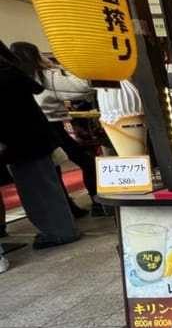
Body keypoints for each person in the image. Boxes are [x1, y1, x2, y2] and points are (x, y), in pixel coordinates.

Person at [0, 40, 80, 250]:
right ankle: (61, 229)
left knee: (37, 190)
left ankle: (60, 232)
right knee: (45, 187)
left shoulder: (4, 75)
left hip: (22, 144)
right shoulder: (11, 71)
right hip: (35, 139)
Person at [10, 42, 104, 217]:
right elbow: (81, 88)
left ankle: (66, 210)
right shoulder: (44, 75)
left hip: (32, 129)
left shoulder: (17, 75)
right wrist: (61, 70)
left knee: (54, 172)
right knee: (86, 162)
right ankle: (98, 203)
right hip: (52, 127)